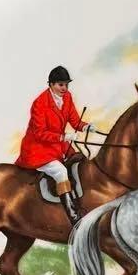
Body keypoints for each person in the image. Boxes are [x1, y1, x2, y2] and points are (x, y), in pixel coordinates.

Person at [15, 65, 88, 224]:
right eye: (61, 85)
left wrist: (85, 127)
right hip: (38, 149)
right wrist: (64, 136)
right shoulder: (39, 103)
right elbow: (40, 133)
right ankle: (73, 216)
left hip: (59, 147)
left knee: (81, 160)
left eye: (66, 84)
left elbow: (74, 120)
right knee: (61, 172)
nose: (64, 88)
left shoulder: (67, 97)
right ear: (51, 84)